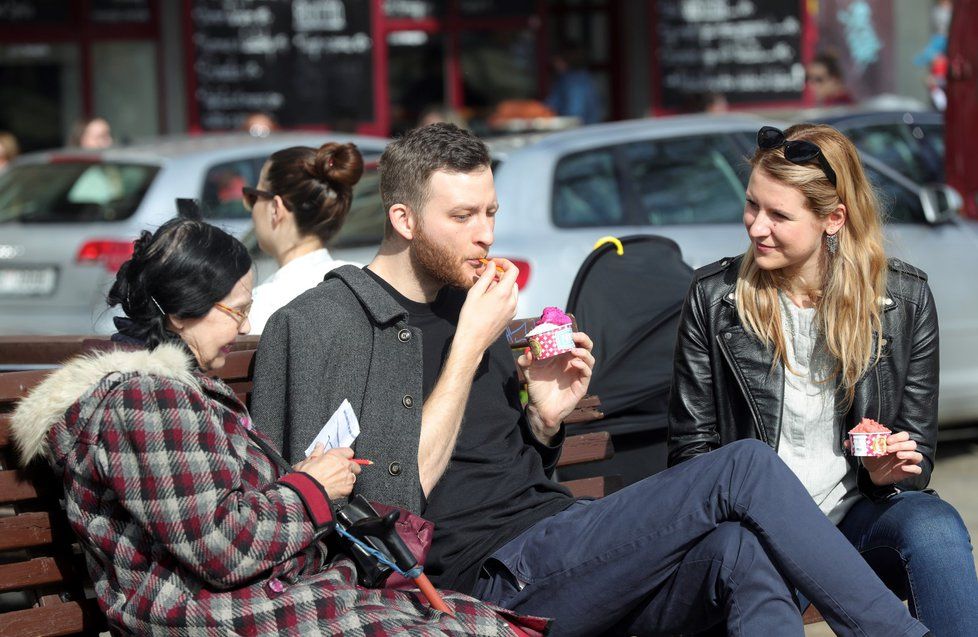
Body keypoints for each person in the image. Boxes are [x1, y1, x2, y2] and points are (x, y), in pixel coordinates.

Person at [251, 123, 931, 637]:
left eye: (489, 212)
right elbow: (377, 508)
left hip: (561, 542)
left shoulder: (469, 302)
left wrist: (545, 417)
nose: (484, 234)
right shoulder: (326, 323)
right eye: (462, 217)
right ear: (403, 219)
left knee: (737, 551)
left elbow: (505, 463)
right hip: (481, 578)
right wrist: (465, 351)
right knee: (743, 469)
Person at [9, 217, 551, 636]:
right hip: (209, 613)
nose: (244, 326)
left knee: (473, 620)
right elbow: (220, 547)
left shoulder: (173, 393)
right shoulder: (144, 401)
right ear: (180, 314)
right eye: (234, 310)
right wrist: (311, 487)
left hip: (257, 597)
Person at [668, 123, 978, 636]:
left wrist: (890, 470)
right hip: (753, 533)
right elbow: (690, 456)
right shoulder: (714, 299)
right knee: (748, 570)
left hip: (854, 522)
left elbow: (916, 454)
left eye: (778, 215)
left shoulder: (905, 301)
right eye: (752, 205)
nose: (755, 226)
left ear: (833, 219)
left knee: (934, 527)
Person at [245, 142, 363, 333]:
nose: (251, 207)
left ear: (275, 209)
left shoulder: (260, 306)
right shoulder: (364, 279)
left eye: (253, 196)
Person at [544, 47, 602, 125]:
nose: (554, 64)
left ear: (565, 61)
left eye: (556, 60)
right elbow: (550, 106)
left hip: (580, 132)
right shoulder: (566, 79)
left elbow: (574, 117)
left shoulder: (575, 82)